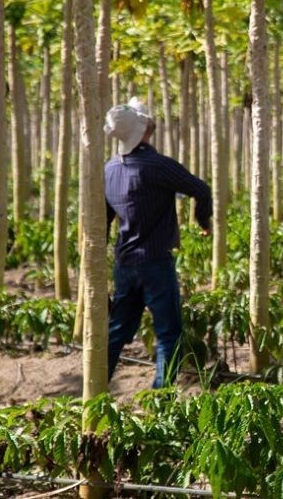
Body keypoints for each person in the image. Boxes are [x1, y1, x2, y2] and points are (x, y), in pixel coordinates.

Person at [103, 98, 212, 388]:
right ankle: (160, 398)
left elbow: (102, 221)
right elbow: (201, 189)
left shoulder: (109, 169)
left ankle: (95, 388)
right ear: (145, 130)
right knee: (169, 333)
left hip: (124, 261)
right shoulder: (157, 165)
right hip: (155, 262)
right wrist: (204, 222)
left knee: (117, 331)